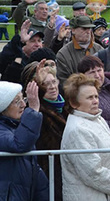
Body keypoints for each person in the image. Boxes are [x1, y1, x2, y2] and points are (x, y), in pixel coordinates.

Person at [60, 74, 110, 201]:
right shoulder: (77, 130)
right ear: (74, 103)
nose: (95, 101)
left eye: (96, 96)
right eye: (90, 98)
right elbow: (93, 173)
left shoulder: (98, 119)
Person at [21, 61, 67, 201]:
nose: (52, 87)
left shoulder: (67, 106)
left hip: (66, 172)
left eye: (54, 82)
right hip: (49, 174)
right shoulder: (36, 113)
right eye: (45, 84)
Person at [0, 80, 49, 201]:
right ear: (3, 107)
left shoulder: (16, 126)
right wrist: (33, 110)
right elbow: (19, 144)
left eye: (23, 99)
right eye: (17, 101)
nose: (23, 105)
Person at [56, 16, 103, 85]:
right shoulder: (63, 54)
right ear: (73, 30)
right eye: (84, 28)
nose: (88, 31)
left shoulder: (100, 49)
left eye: (89, 28)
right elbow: (64, 83)